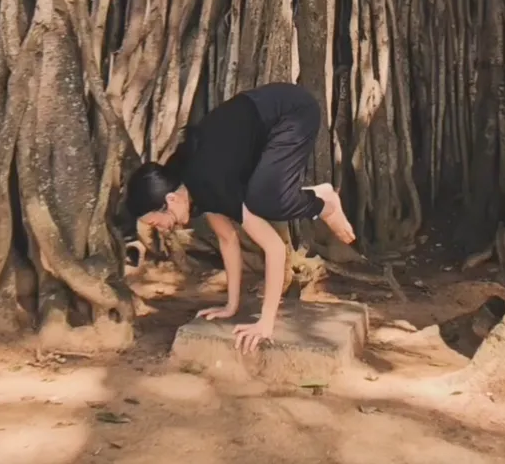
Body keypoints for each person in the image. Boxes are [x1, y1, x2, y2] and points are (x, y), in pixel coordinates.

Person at [126, 82, 355, 353]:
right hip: (263, 122)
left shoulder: (208, 183)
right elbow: (227, 240)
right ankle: (317, 194)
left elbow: (274, 247)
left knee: (264, 202)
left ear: (170, 200)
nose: (163, 229)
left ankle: (324, 204)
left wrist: (265, 324)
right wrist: (230, 306)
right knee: (261, 199)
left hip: (292, 112)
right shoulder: (196, 186)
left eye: (156, 222)